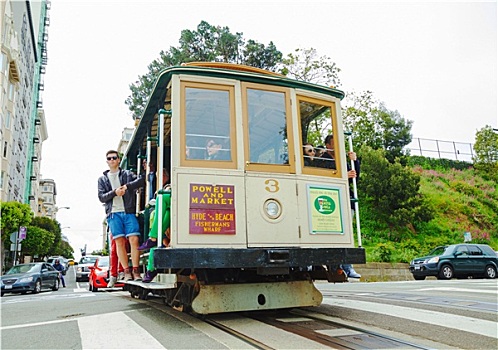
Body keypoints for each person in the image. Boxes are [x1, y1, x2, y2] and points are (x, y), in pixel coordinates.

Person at [98, 150, 145, 281]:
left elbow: (141, 180)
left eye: (114, 158)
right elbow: (101, 197)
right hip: (113, 214)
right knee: (119, 242)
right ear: (107, 161)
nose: (112, 160)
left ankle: (136, 271)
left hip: (128, 211)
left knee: (134, 239)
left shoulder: (127, 174)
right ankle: (126, 271)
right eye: (109, 158)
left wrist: (127, 187)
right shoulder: (102, 179)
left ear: (119, 160)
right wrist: (115, 192)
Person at [321, 134, 362, 279]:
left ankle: (347, 266)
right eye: (334, 143)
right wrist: (345, 175)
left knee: (347, 233)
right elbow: (324, 178)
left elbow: (355, 177)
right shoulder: (323, 159)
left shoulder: (341, 159)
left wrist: (354, 161)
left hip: (345, 198)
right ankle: (337, 266)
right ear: (327, 145)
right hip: (329, 199)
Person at [138, 168, 171, 283]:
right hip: (169, 217)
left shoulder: (170, 186)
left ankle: (153, 238)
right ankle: (155, 238)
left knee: (160, 199)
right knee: (165, 213)